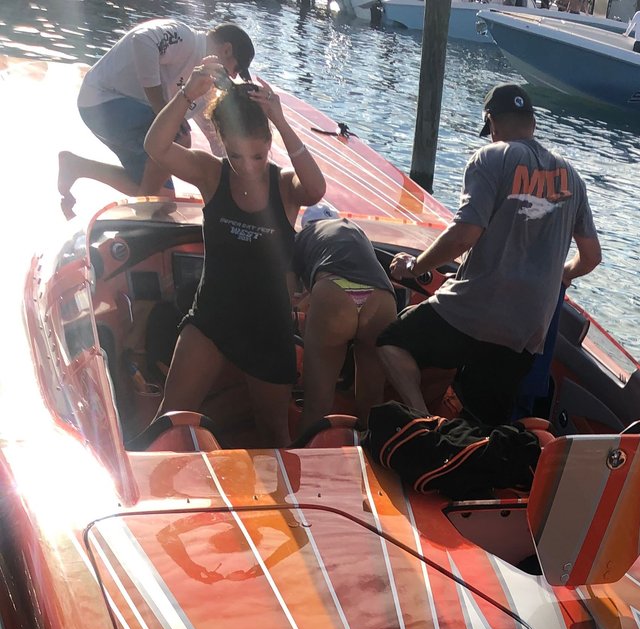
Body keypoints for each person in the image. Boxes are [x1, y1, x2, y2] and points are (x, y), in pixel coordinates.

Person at [378, 83, 601, 429]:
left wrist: (414, 266)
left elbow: (464, 235)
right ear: (533, 123)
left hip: (475, 311)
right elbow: (591, 257)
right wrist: (562, 273)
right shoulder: (572, 178)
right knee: (484, 423)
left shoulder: (492, 157)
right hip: (528, 329)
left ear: (492, 123)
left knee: (390, 342)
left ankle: (424, 423)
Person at [143, 65, 326, 446]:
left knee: (273, 431)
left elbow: (316, 188)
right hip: (213, 317)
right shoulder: (211, 174)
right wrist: (187, 94)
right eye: (236, 156)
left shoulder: (284, 186)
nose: (247, 167)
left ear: (269, 144)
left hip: (268, 326)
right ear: (221, 142)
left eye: (257, 156)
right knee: (171, 419)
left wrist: (281, 120)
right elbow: (155, 147)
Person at [58, 18, 254, 217]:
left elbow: (214, 136)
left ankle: (76, 166)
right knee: (177, 135)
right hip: (102, 100)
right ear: (227, 50)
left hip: (126, 114)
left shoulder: (206, 82)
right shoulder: (186, 39)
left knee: (163, 200)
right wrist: (160, 107)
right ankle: (143, 213)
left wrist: (241, 175)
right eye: (236, 69)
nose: (232, 77)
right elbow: (142, 39)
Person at [292, 206, 399, 439]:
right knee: (372, 402)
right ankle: (370, 453)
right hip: (381, 296)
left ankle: (304, 456)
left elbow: (288, 295)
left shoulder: (303, 238)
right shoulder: (355, 230)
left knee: (317, 404)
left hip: (334, 292)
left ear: (307, 225)